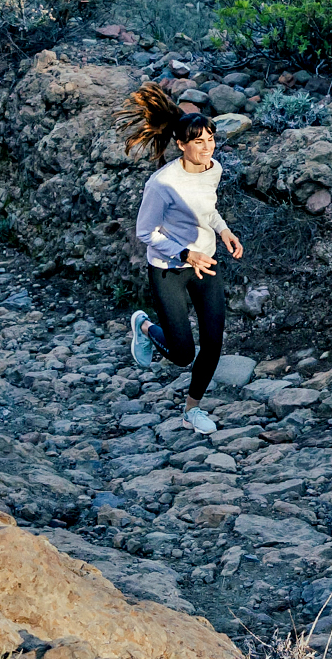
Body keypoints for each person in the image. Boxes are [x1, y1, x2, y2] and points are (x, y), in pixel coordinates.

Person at [114, 82, 244, 435]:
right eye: (198, 141)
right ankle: (144, 326)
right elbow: (146, 232)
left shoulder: (213, 169)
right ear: (182, 145)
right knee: (183, 353)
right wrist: (185, 252)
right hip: (170, 268)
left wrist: (224, 230)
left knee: (214, 342)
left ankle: (192, 409)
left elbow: (208, 210)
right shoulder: (162, 184)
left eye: (211, 139)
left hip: (207, 264)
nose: (207, 147)